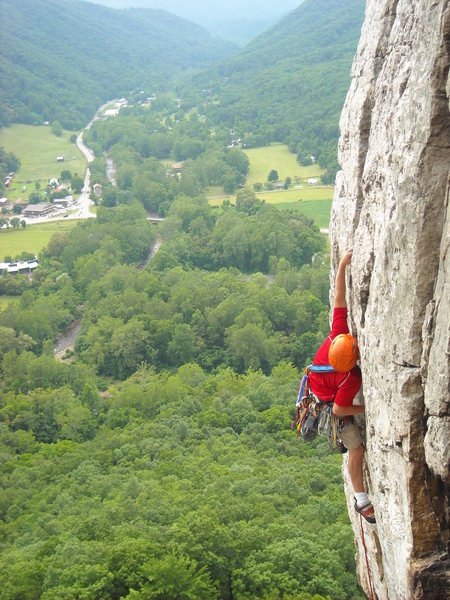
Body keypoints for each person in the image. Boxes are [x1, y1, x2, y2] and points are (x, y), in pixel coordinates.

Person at [309, 248, 376, 524]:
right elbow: (339, 409)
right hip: (329, 404)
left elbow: (339, 300)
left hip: (317, 388)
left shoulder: (337, 335)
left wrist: (342, 266)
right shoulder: (350, 378)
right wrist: (365, 408)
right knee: (356, 448)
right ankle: (361, 500)